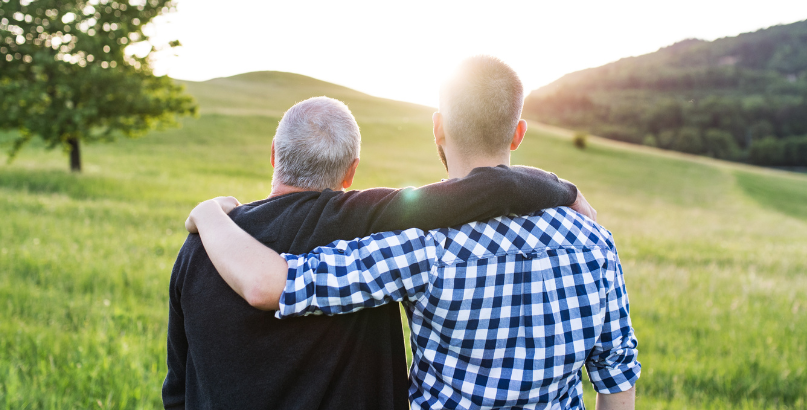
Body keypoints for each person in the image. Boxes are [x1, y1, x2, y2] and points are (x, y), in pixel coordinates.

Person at [188, 56, 637, 409]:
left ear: (438, 128)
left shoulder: (423, 247)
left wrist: (210, 215)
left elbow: (274, 284)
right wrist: (563, 188)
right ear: (518, 133)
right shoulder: (595, 243)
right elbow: (616, 380)